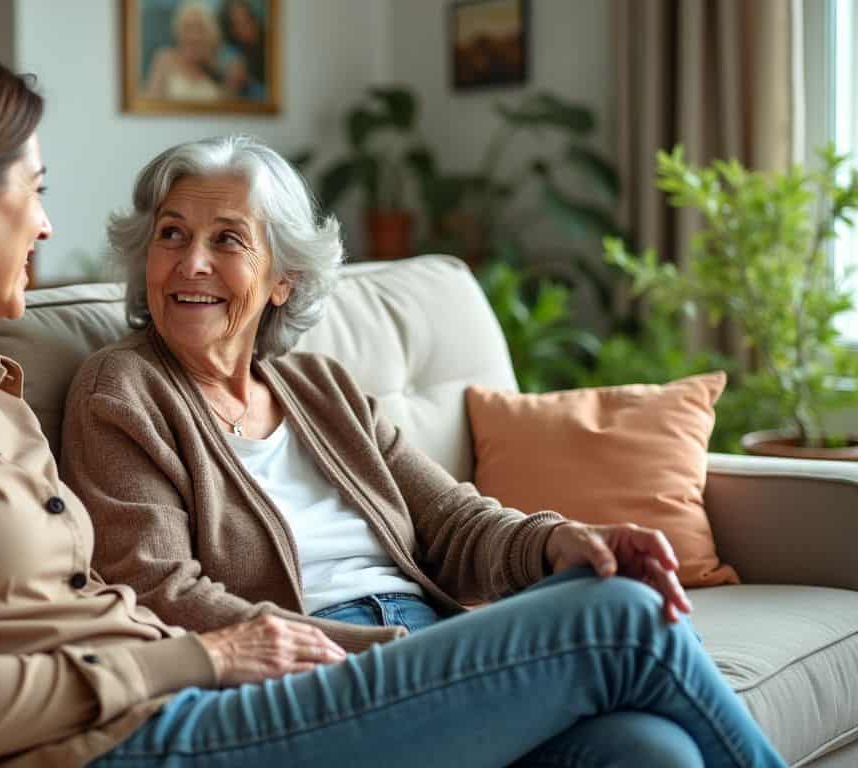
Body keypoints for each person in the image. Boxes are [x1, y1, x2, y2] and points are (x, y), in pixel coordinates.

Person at [59, 134, 787, 766]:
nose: (190, 263)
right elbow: (161, 595)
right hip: (316, 676)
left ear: (284, 279)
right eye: (172, 234)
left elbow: (452, 520)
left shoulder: (320, 388)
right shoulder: (122, 388)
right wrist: (378, 651)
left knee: (653, 753)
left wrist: (561, 541)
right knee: (621, 611)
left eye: (227, 240)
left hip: (419, 654)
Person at [144, 1, 225, 101]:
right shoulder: (165, 59)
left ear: (209, 33)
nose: (194, 36)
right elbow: (150, 104)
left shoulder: (216, 68)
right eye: (188, 27)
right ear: (178, 31)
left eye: (200, 28)